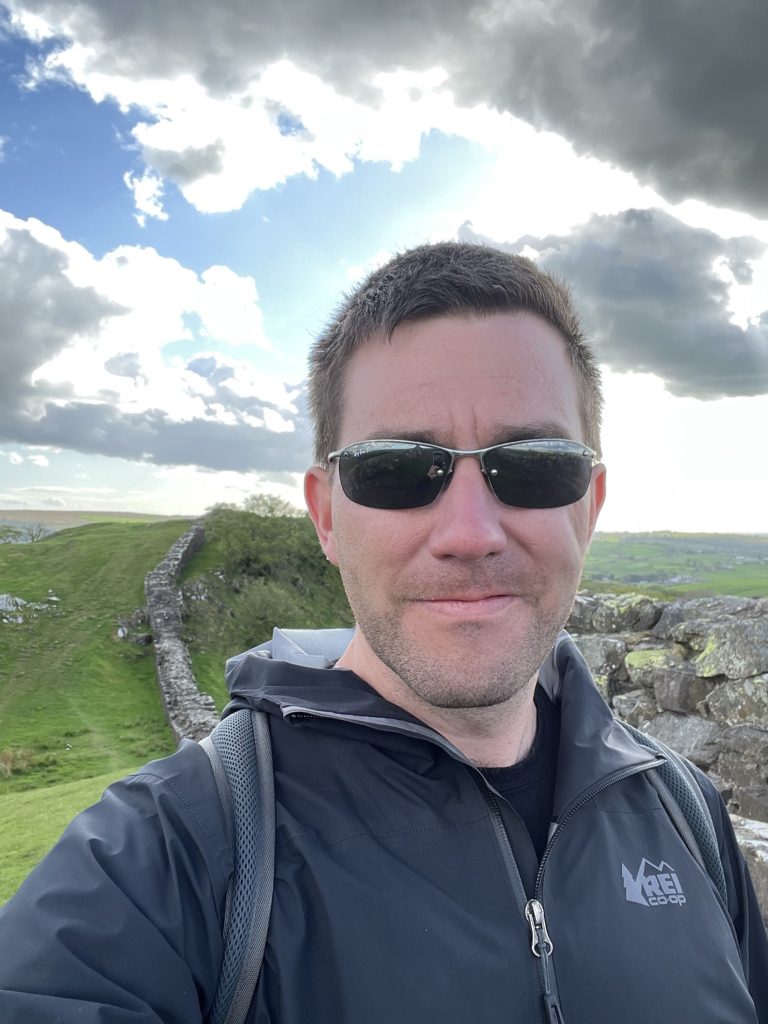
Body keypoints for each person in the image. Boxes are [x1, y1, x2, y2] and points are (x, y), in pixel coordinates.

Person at [1, 241, 766, 1023]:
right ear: (326, 515)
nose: (470, 534)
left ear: (590, 506)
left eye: (534, 465)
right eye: (398, 470)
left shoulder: (686, 815)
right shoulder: (165, 861)